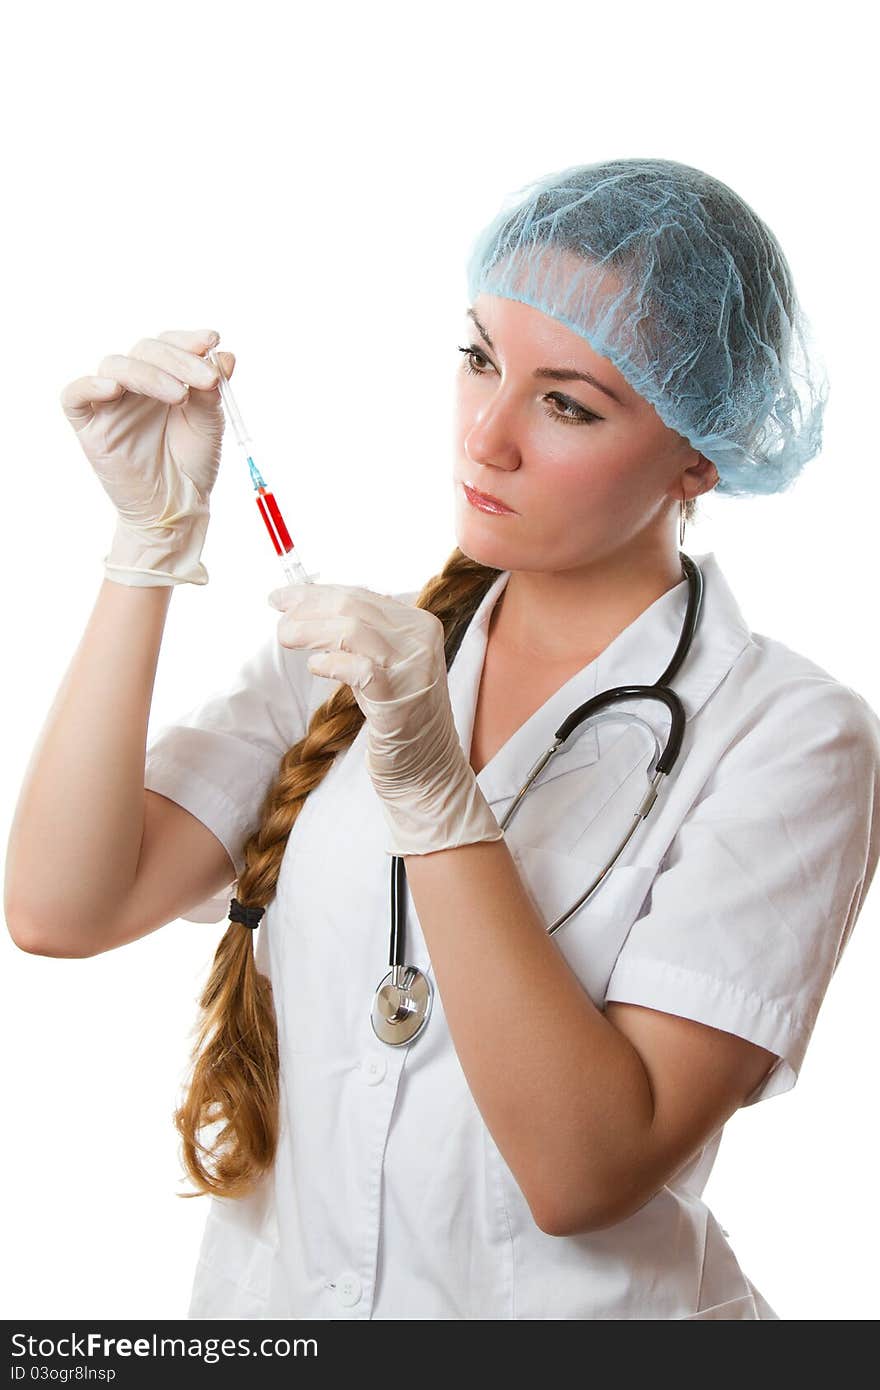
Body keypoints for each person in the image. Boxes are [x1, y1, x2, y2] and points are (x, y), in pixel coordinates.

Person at [7, 157, 880, 1321]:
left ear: (700, 455)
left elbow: (584, 1171)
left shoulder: (791, 738)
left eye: (566, 402)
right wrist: (145, 544)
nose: (488, 436)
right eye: (479, 360)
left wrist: (434, 791)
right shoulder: (354, 658)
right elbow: (60, 907)